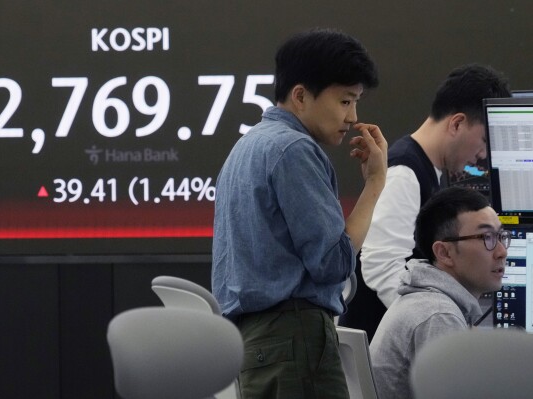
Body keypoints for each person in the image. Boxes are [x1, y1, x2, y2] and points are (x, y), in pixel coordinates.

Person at [211, 28, 387, 399]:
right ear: (301, 95)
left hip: (256, 346)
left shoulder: (247, 147)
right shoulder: (294, 150)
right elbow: (334, 264)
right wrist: (374, 185)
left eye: (356, 102)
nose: (354, 117)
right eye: (345, 101)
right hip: (296, 341)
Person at [339, 64, 511, 339]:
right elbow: (380, 264)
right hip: (383, 354)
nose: (482, 155)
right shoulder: (405, 171)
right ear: (457, 123)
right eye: (483, 142)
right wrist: (436, 324)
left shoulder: (427, 170)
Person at [369, 186, 510, 399]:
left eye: (501, 236)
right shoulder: (439, 316)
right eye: (487, 238)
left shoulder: (426, 301)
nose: (502, 251)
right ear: (444, 253)